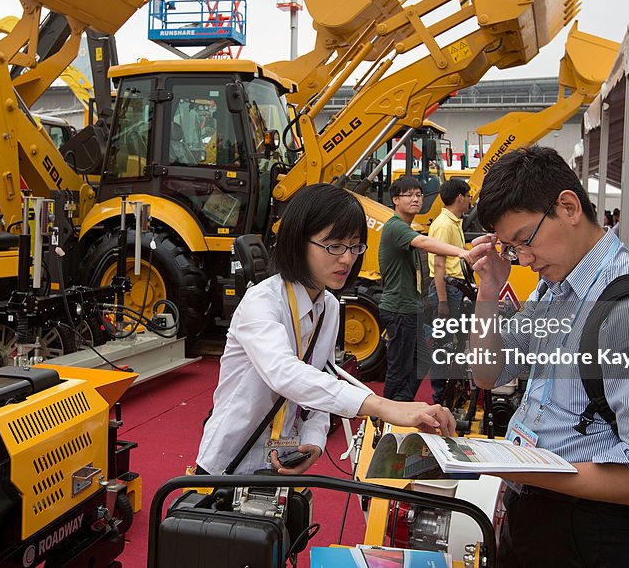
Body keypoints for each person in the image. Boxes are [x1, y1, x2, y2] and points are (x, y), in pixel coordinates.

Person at [466, 146, 629, 567]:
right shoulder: (555, 288)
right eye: (512, 250)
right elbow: (488, 373)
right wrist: (487, 293)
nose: (525, 260)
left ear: (568, 206)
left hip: (594, 529)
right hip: (539, 510)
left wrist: (519, 467)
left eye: (524, 241)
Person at [194, 183, 456, 476]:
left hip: (282, 459)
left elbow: (321, 375)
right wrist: (382, 405)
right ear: (298, 241)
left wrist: (314, 440)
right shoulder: (261, 302)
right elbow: (285, 374)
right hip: (230, 461)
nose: (347, 258)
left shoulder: (328, 305)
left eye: (355, 246)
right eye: (334, 246)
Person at [380, 176, 472, 402]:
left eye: (419, 195)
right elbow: (424, 243)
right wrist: (461, 252)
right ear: (395, 200)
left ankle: (402, 404)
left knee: (422, 360)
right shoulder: (395, 227)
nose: (415, 199)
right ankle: (388, 414)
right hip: (399, 308)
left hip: (410, 307)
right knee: (399, 366)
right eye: (409, 195)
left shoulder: (406, 227)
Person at [426, 178, 472, 404]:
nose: (471, 199)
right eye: (469, 195)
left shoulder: (454, 223)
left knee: (456, 343)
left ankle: (452, 392)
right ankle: (439, 396)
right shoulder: (444, 225)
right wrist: (443, 300)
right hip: (447, 290)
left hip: (455, 290)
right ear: (460, 197)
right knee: (444, 343)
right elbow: (439, 265)